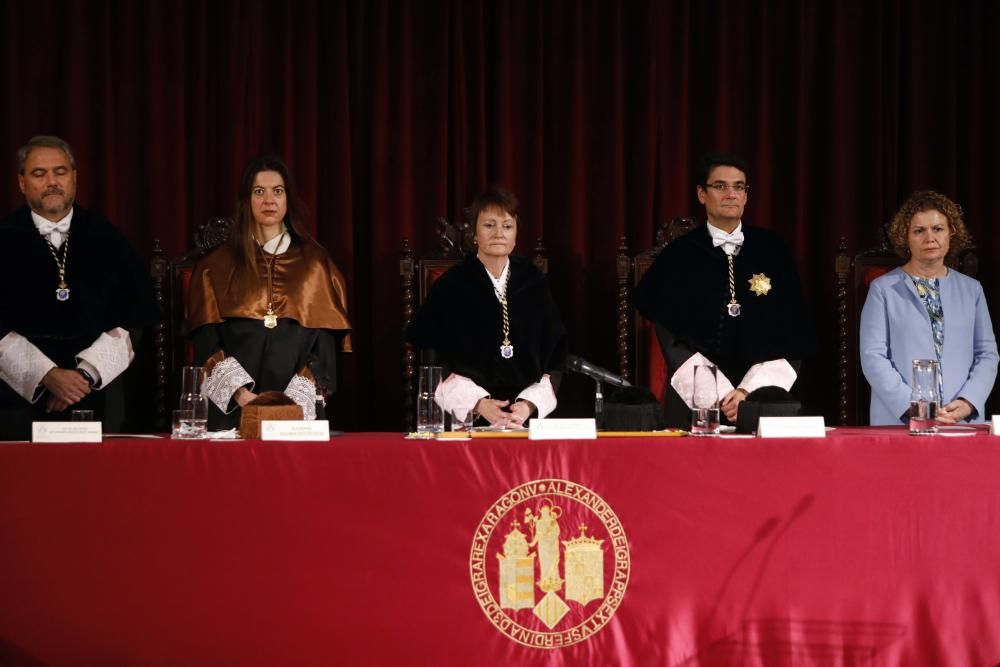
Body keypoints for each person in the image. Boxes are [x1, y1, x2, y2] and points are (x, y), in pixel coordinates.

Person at [631, 152, 815, 428]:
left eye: (739, 186)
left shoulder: (773, 251)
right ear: (701, 194)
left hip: (766, 402)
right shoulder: (679, 256)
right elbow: (671, 337)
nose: (731, 194)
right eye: (720, 186)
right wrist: (716, 395)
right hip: (696, 406)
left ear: (746, 195)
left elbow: (793, 331)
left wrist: (749, 394)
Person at [0, 135, 158, 439]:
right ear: (21, 182)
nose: (52, 181)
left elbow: (134, 319)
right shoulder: (4, 238)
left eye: (60, 171)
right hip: (17, 401)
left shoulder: (106, 237)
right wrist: (47, 376)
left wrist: (81, 377)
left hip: (95, 391)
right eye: (39, 173)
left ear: (74, 177)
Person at [186, 155, 352, 430]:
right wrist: (243, 396)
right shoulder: (214, 266)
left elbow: (325, 348)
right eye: (258, 192)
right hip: (232, 409)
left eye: (277, 191)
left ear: (288, 199)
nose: (269, 200)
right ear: (246, 200)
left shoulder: (316, 264)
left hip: (297, 409)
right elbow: (206, 343)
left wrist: (288, 404)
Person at [405, 186, 566, 428]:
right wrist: (479, 404)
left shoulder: (533, 282)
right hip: (466, 416)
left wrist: (527, 405)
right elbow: (435, 360)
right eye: (489, 225)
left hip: (524, 419)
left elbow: (555, 356)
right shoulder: (451, 286)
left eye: (507, 226)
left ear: (516, 234)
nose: (499, 233)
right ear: (474, 233)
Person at [860, 191, 998, 425]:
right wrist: (914, 407)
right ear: (905, 237)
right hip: (902, 421)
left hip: (960, 421)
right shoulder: (882, 290)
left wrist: (969, 401)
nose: (930, 238)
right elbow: (873, 358)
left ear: (951, 233)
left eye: (938, 229)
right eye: (919, 231)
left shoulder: (972, 290)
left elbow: (987, 354)